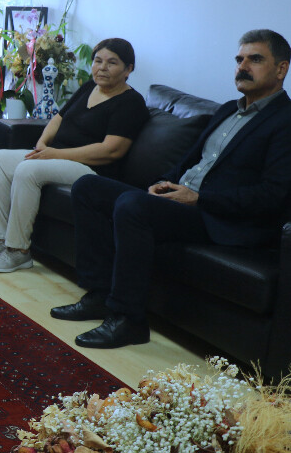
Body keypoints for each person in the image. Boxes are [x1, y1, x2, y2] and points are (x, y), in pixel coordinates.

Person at [51, 29, 291, 349]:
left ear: (281, 69)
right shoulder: (227, 110)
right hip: (182, 201)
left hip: (218, 218)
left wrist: (201, 198)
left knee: (132, 206)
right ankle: (98, 295)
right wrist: (162, 182)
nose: (242, 67)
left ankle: (128, 320)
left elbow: (273, 194)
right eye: (239, 59)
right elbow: (188, 162)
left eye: (255, 59)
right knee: (87, 187)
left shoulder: (285, 121)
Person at [0, 38, 149, 273]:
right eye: (98, 61)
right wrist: (42, 143)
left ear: (128, 69)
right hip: (57, 156)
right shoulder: (89, 87)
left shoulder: (131, 102)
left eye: (112, 63)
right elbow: (58, 118)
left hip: (92, 170)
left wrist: (56, 154)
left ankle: (18, 251)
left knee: (28, 169)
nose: (102, 68)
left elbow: (111, 150)